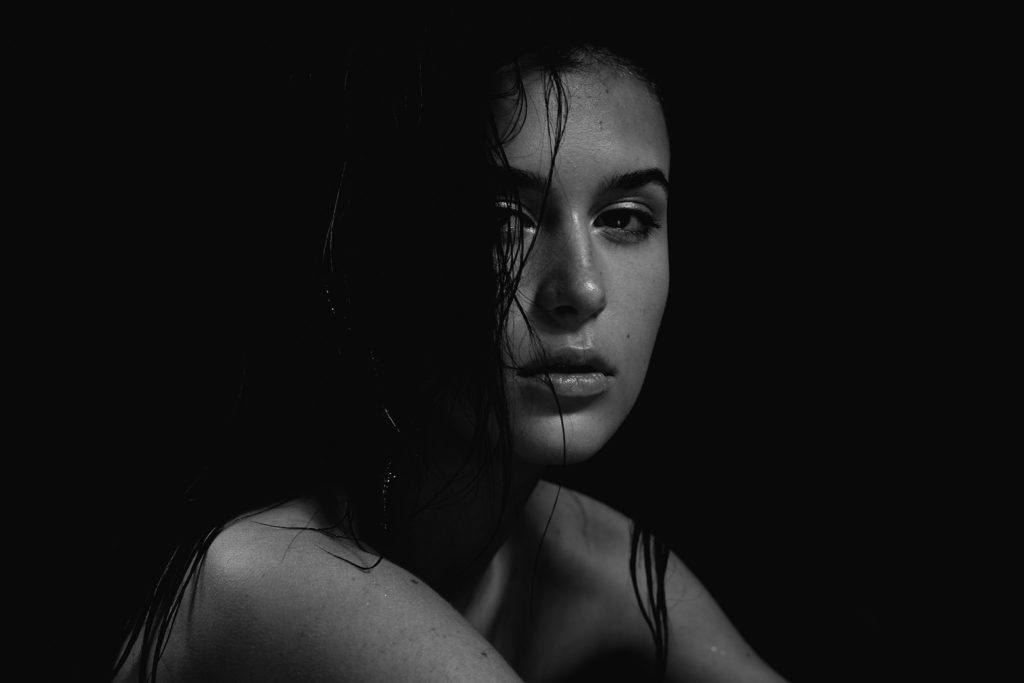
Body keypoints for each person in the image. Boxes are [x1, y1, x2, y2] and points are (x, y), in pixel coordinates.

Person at [109, 18, 788, 683]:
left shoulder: (590, 560)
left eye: (625, 219)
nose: (581, 288)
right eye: (501, 218)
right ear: (376, 249)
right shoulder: (263, 575)